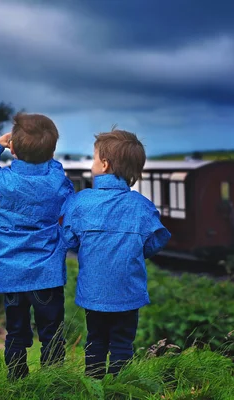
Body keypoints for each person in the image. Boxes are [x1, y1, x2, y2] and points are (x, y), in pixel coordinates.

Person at [0, 113, 74, 380]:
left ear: (13, 147)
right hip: (46, 274)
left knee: (15, 333)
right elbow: (62, 180)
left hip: (10, 274)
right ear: (51, 150)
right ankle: (52, 382)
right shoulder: (56, 181)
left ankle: (17, 382)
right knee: (52, 335)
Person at [60, 128, 171, 379]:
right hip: (128, 293)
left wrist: (91, 248)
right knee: (122, 344)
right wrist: (130, 251)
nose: (91, 163)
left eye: (94, 158)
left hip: (94, 293)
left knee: (95, 341)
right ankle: (119, 391)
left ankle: (95, 387)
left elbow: (69, 239)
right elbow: (156, 241)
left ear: (105, 164)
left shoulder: (81, 202)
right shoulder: (142, 206)